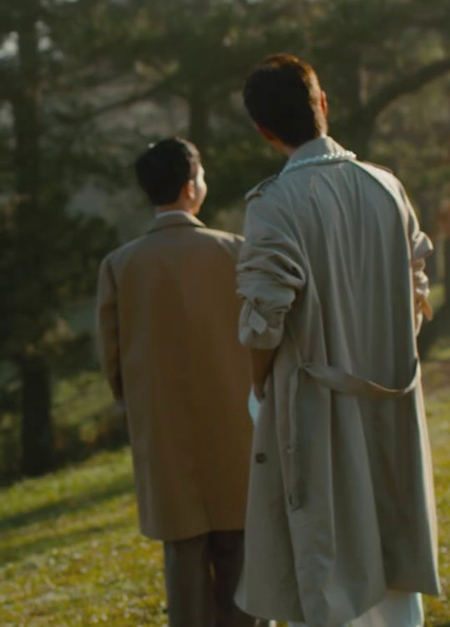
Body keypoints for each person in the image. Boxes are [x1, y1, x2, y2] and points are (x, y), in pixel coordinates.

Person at [234, 54, 440, 627]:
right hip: (392, 389)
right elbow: (417, 285)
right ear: (323, 103)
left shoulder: (273, 205)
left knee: (323, 550)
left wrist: (259, 384)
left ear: (264, 131)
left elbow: (263, 320)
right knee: (391, 526)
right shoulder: (386, 185)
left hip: (313, 400)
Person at [97, 138, 262, 627]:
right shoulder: (234, 251)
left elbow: (112, 361)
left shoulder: (121, 265)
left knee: (184, 560)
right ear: (192, 187)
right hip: (236, 425)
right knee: (242, 557)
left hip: (165, 433)